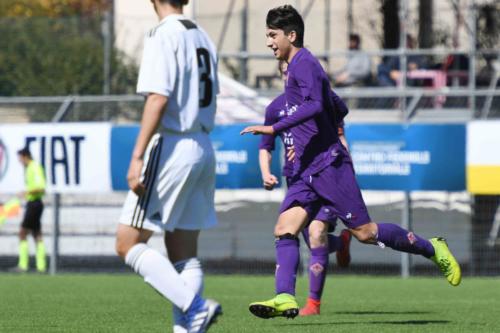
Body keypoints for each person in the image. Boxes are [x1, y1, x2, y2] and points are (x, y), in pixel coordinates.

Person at [241, 5, 461, 320]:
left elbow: (318, 104)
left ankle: (432, 247)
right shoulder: (294, 71)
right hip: (304, 172)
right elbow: (337, 106)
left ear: (291, 35)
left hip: (328, 166)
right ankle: (285, 297)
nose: (269, 42)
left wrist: (280, 129)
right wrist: (320, 133)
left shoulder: (305, 64)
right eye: (267, 35)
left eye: (272, 35)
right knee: (285, 228)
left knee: (365, 233)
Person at [114, 1, 221, 332]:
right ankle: (187, 327)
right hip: (203, 145)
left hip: (174, 144)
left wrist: (137, 155)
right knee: (183, 253)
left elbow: (158, 97)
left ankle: (195, 306)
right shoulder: (203, 35)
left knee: (127, 243)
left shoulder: (163, 34)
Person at [258, 61, 352, 316]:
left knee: (316, 232)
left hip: (326, 175)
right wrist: (266, 173)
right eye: (288, 72)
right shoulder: (275, 108)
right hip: (298, 183)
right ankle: (341, 244)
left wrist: (344, 166)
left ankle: (313, 305)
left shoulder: (319, 105)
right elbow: (265, 146)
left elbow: (340, 135)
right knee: (311, 242)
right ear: (282, 75)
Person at [13, 147, 46, 273]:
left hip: (34, 204)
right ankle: (41, 265)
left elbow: (41, 187)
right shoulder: (30, 168)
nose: (20, 161)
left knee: (22, 232)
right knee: (36, 233)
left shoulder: (34, 167)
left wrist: (26, 192)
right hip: (34, 203)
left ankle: (23, 264)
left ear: (26, 156)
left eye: (20, 158)